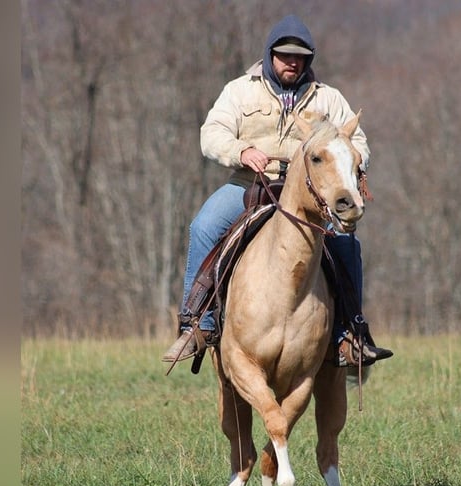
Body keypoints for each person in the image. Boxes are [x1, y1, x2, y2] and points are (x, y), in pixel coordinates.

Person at [162, 14, 392, 368]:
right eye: (285, 55)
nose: (292, 62)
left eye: (299, 57)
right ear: (270, 55)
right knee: (203, 226)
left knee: (347, 243)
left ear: (309, 60)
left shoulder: (328, 100)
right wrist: (241, 151)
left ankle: (350, 334)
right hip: (248, 184)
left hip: (311, 195)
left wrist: (352, 160)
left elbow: (357, 141)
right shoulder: (240, 91)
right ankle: (198, 325)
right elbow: (212, 133)